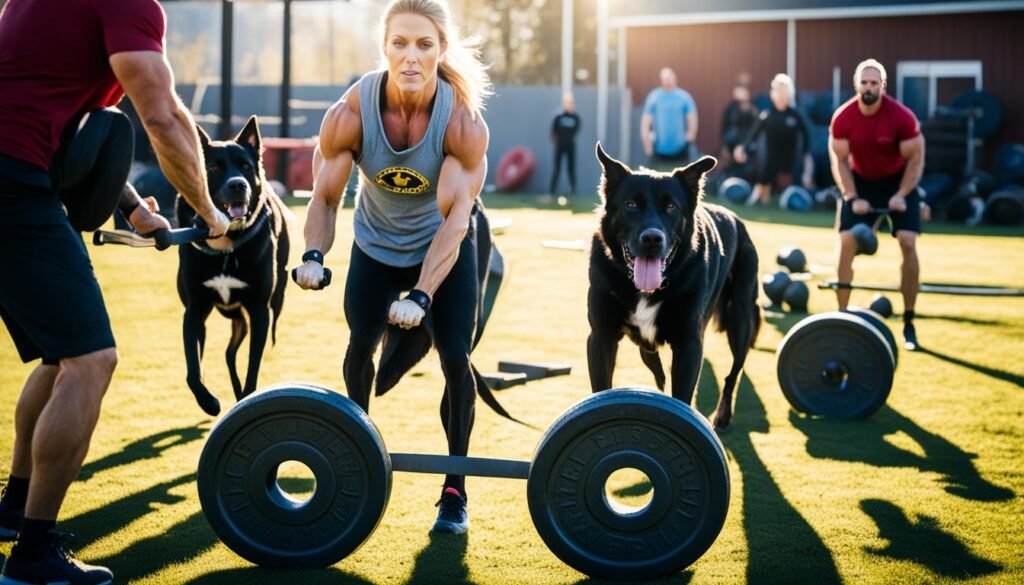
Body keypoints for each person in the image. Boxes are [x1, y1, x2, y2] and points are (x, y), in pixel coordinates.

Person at [0, 0, 231, 583]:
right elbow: (162, 116)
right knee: (91, 359)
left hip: (19, 180)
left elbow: (69, 115)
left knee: (61, 356)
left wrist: (136, 210)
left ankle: (12, 511)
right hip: (13, 186)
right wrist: (207, 211)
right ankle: (32, 556)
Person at [294, 0, 491, 535]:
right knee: (361, 346)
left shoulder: (462, 126)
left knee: (455, 356)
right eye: (400, 43)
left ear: (441, 51)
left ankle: (455, 491)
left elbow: (455, 225)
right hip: (376, 246)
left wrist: (423, 294)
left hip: (440, 249)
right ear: (384, 48)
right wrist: (313, 254)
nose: (411, 56)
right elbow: (325, 197)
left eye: (424, 44)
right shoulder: (350, 114)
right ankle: (355, 465)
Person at [829, 59, 925, 349]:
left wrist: (902, 193)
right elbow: (840, 162)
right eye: (864, 82)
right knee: (846, 241)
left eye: (874, 83)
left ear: (883, 85)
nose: (869, 87)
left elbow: (916, 159)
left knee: (908, 242)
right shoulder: (844, 118)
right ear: (857, 84)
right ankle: (841, 318)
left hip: (898, 182)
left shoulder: (901, 117)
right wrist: (852, 197)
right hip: (861, 183)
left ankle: (908, 322)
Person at [734, 74, 814, 206]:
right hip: (770, 163)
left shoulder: (796, 115)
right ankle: (760, 195)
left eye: (784, 92)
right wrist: (742, 149)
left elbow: (807, 143)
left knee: (794, 190)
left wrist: (808, 170)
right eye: (778, 92)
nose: (781, 96)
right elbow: (752, 136)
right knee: (763, 179)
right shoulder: (767, 115)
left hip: (791, 165)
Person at [640, 67, 698, 170]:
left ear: (674, 78)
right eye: (664, 79)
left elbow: (692, 118)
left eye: (669, 78)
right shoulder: (654, 97)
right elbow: (646, 121)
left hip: (680, 150)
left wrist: (690, 136)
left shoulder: (684, 97)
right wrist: (647, 143)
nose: (667, 81)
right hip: (659, 150)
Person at [719, 82, 757, 176]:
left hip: (748, 143)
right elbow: (724, 127)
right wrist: (725, 146)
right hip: (733, 142)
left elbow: (756, 126)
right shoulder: (731, 108)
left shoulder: (753, 108)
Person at [549, 92, 580, 202]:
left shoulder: (576, 117)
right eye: (567, 103)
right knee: (556, 170)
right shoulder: (558, 117)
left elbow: (576, 131)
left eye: (571, 103)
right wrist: (559, 142)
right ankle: (552, 193)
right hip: (559, 146)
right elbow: (553, 132)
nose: (569, 105)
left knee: (571, 169)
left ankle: (572, 192)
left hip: (570, 147)